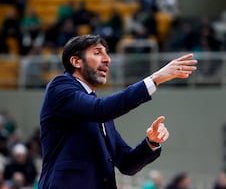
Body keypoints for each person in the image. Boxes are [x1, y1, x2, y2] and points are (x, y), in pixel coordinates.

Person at [38, 34, 197, 188]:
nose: (107, 59)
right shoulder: (60, 87)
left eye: (107, 53)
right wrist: (154, 79)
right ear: (76, 61)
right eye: (97, 53)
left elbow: (127, 164)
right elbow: (100, 109)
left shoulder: (97, 108)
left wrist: (152, 142)